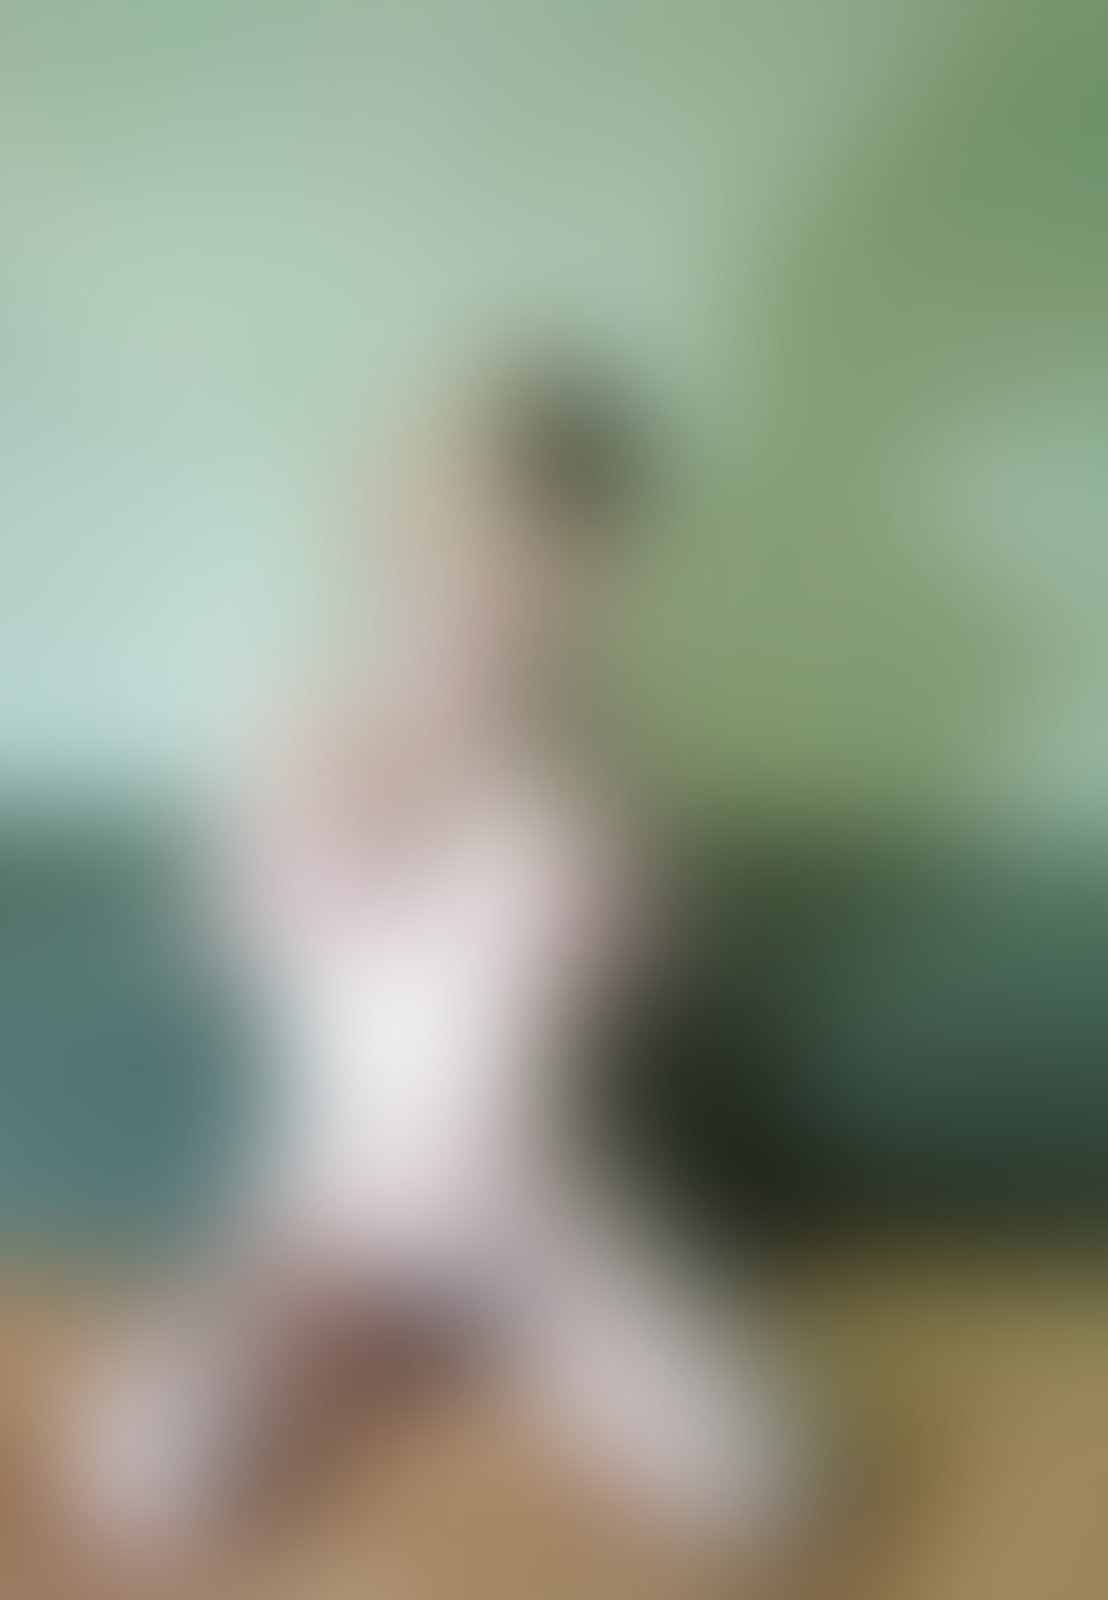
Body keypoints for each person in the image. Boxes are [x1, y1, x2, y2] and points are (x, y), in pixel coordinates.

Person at [58, 356, 805, 1576]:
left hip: (539, 1207)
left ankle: (485, 1342)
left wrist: (560, 791)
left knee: (761, 1471)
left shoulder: (608, 755)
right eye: (460, 547)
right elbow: (229, 941)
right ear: (396, 548)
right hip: (331, 1203)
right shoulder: (314, 726)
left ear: (594, 581)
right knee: (148, 1469)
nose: (493, 590)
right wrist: (340, 810)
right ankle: (371, 1341)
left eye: (540, 560)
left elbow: (641, 966)